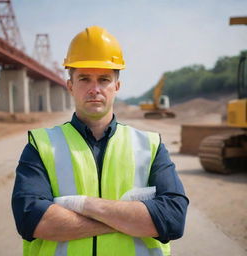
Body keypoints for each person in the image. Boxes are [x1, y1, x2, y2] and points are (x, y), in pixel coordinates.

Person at [11, 26, 189, 256]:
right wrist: (131, 221)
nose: (94, 89)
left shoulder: (150, 145)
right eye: (84, 78)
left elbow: (173, 219)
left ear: (116, 86)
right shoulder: (41, 145)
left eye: (104, 79)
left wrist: (83, 204)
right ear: (70, 86)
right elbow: (32, 220)